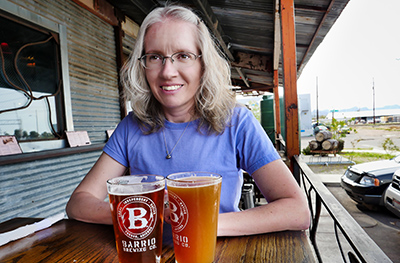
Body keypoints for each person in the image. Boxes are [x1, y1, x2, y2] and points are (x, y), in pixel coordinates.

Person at [66, 4, 310, 236]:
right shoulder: (131, 126)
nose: (167, 71)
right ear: (142, 66)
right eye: (154, 57)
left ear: (203, 64)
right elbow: (78, 203)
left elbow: (296, 211)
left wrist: (201, 223)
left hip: (216, 261)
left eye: (183, 55)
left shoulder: (236, 121)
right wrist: (148, 213)